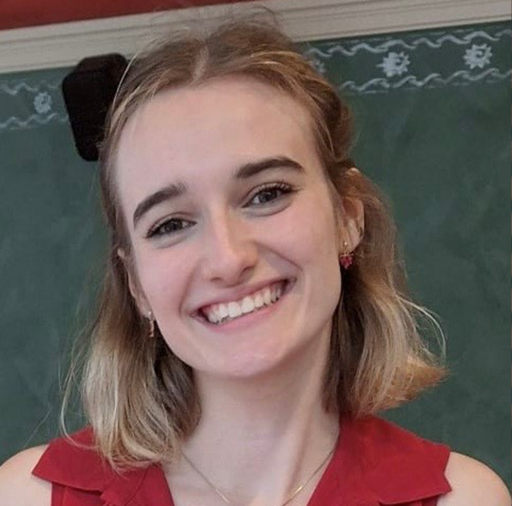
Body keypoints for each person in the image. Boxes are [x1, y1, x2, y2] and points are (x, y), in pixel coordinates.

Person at [0, 15, 509, 506]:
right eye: (170, 224)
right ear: (135, 283)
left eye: (267, 194)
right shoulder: (27, 497)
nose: (228, 258)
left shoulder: (462, 499)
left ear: (347, 217)